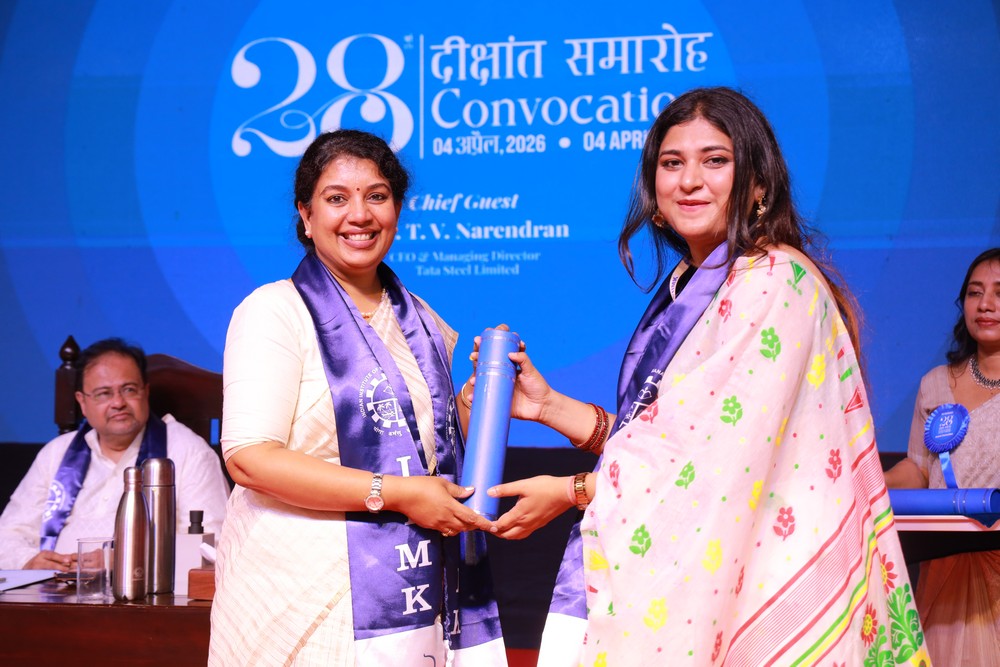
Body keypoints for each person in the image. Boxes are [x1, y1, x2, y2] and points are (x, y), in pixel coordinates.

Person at [483, 87, 930, 665]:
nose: (690, 181)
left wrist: (572, 492)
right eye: (672, 163)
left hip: (771, 574)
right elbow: (678, 439)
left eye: (715, 160)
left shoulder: (773, 281)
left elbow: (713, 459)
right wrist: (547, 407)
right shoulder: (694, 284)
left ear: (759, 184)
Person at [208, 129, 506, 666]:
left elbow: (430, 451)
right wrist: (396, 493)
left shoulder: (421, 318)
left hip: (408, 585)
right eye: (337, 198)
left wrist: (478, 394)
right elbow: (250, 459)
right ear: (306, 215)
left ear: (397, 209)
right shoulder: (274, 311)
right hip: (299, 589)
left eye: (377, 196)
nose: (360, 215)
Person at [0, 337, 230, 571]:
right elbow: (7, 534)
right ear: (82, 402)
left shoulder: (188, 452)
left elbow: (213, 546)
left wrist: (121, 561)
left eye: (129, 390)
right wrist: (29, 561)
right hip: (50, 587)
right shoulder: (56, 453)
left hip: (140, 590)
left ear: (145, 392)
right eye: (103, 393)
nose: (118, 403)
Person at [883, 247, 1000, 664]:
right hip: (942, 566)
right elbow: (918, 468)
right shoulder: (935, 383)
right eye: (975, 292)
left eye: (999, 293)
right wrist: (869, 482)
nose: (985, 305)